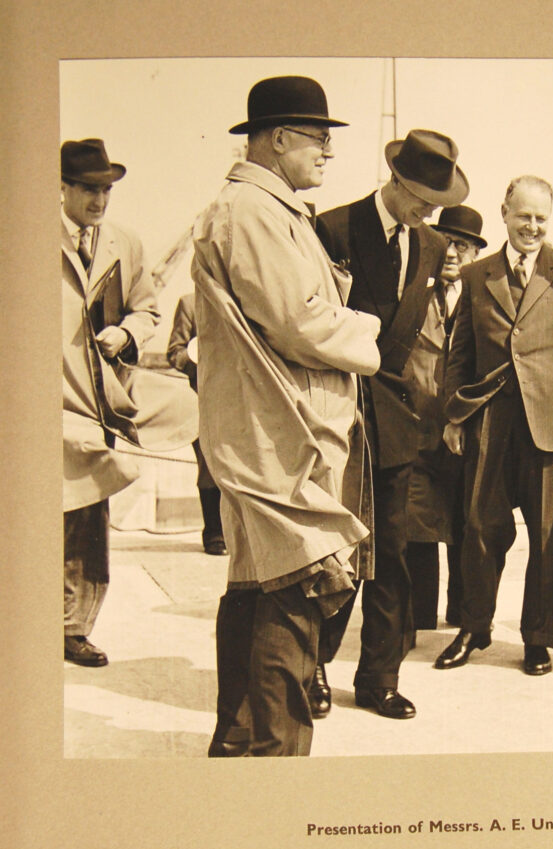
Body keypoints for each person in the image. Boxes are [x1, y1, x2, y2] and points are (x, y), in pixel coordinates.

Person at [191, 75, 381, 756]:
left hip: (273, 428)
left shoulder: (265, 208)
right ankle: (277, 764)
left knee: (257, 586)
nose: (328, 153)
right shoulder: (253, 211)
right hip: (276, 432)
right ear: (278, 139)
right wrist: (368, 331)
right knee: (297, 588)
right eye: (319, 139)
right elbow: (299, 320)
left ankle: (239, 746)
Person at [314, 129, 467, 719]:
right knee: (333, 553)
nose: (431, 212)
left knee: (394, 556)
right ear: (396, 182)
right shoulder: (333, 228)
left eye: (438, 202)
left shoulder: (429, 245)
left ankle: (378, 677)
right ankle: (312, 672)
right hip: (340, 414)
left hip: (398, 422)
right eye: (424, 199)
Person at [436, 175, 553, 675]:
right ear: (505, 213)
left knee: (549, 533)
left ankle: (538, 637)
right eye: (523, 216)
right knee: (479, 527)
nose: (531, 226)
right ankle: (475, 627)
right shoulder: (476, 275)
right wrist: (454, 414)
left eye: (540, 218)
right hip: (490, 418)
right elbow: (458, 353)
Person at [62, 138, 160, 667]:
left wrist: (125, 333)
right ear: (61, 188)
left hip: (95, 404)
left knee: (87, 516)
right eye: (87, 188)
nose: (99, 200)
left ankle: (74, 626)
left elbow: (149, 310)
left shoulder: (125, 243)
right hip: (44, 398)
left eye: (106, 189)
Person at [406, 205, 487, 632]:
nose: (453, 253)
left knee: (467, 525)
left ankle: (464, 616)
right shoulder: (416, 296)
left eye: (463, 245)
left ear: (476, 252)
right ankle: (419, 618)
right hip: (418, 431)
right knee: (417, 526)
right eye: (446, 243)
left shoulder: (488, 300)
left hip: (469, 434)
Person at [165, 292, 226, 555]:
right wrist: (194, 358)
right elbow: (174, 352)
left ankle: (238, 536)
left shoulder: (238, 299)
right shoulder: (189, 303)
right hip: (202, 401)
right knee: (209, 468)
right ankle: (214, 534)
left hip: (239, 398)